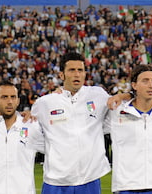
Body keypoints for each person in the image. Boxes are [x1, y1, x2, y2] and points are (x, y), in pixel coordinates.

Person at [31, 51, 111, 194]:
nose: (77, 74)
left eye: (80, 70)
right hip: (55, 181)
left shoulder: (98, 95)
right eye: (72, 70)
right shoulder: (45, 103)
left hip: (89, 180)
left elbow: (120, 110)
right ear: (61, 75)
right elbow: (32, 134)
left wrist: (127, 94)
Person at [106, 64, 152, 194]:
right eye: (145, 81)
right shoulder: (116, 111)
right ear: (134, 85)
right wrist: (124, 96)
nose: (151, 85)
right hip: (126, 186)